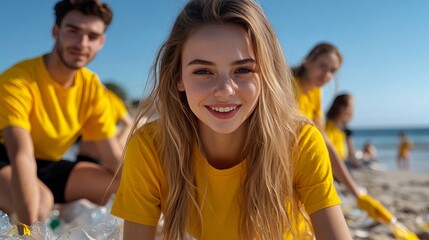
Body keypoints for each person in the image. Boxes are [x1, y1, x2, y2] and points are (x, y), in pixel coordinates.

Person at [111, 0, 351, 239]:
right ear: (178, 77)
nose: (224, 90)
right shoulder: (150, 147)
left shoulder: (300, 142)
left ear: (266, 74)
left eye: (243, 70)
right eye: (203, 71)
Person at [0, 0, 122, 227]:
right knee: (39, 206)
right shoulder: (17, 81)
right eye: (73, 31)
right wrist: (28, 230)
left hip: (48, 164)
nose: (82, 43)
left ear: (101, 42)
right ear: (56, 31)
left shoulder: (92, 86)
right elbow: (21, 155)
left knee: (117, 187)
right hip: (8, 157)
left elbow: (112, 156)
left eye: (92, 36)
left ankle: (59, 203)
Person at [292, 43, 393, 224]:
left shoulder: (316, 92)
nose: (327, 75)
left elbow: (323, 141)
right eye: (322, 66)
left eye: (332, 70)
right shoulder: (289, 85)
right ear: (307, 61)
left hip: (300, 165)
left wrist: (356, 193)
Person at [77, 83, 133, 163]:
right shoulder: (113, 99)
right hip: (106, 153)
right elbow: (130, 123)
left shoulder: (90, 95)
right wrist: (119, 144)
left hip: (85, 152)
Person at [325, 93, 363, 168]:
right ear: (339, 107)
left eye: (352, 108)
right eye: (349, 107)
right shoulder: (325, 127)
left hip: (343, 164)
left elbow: (350, 154)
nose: (351, 112)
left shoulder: (345, 131)